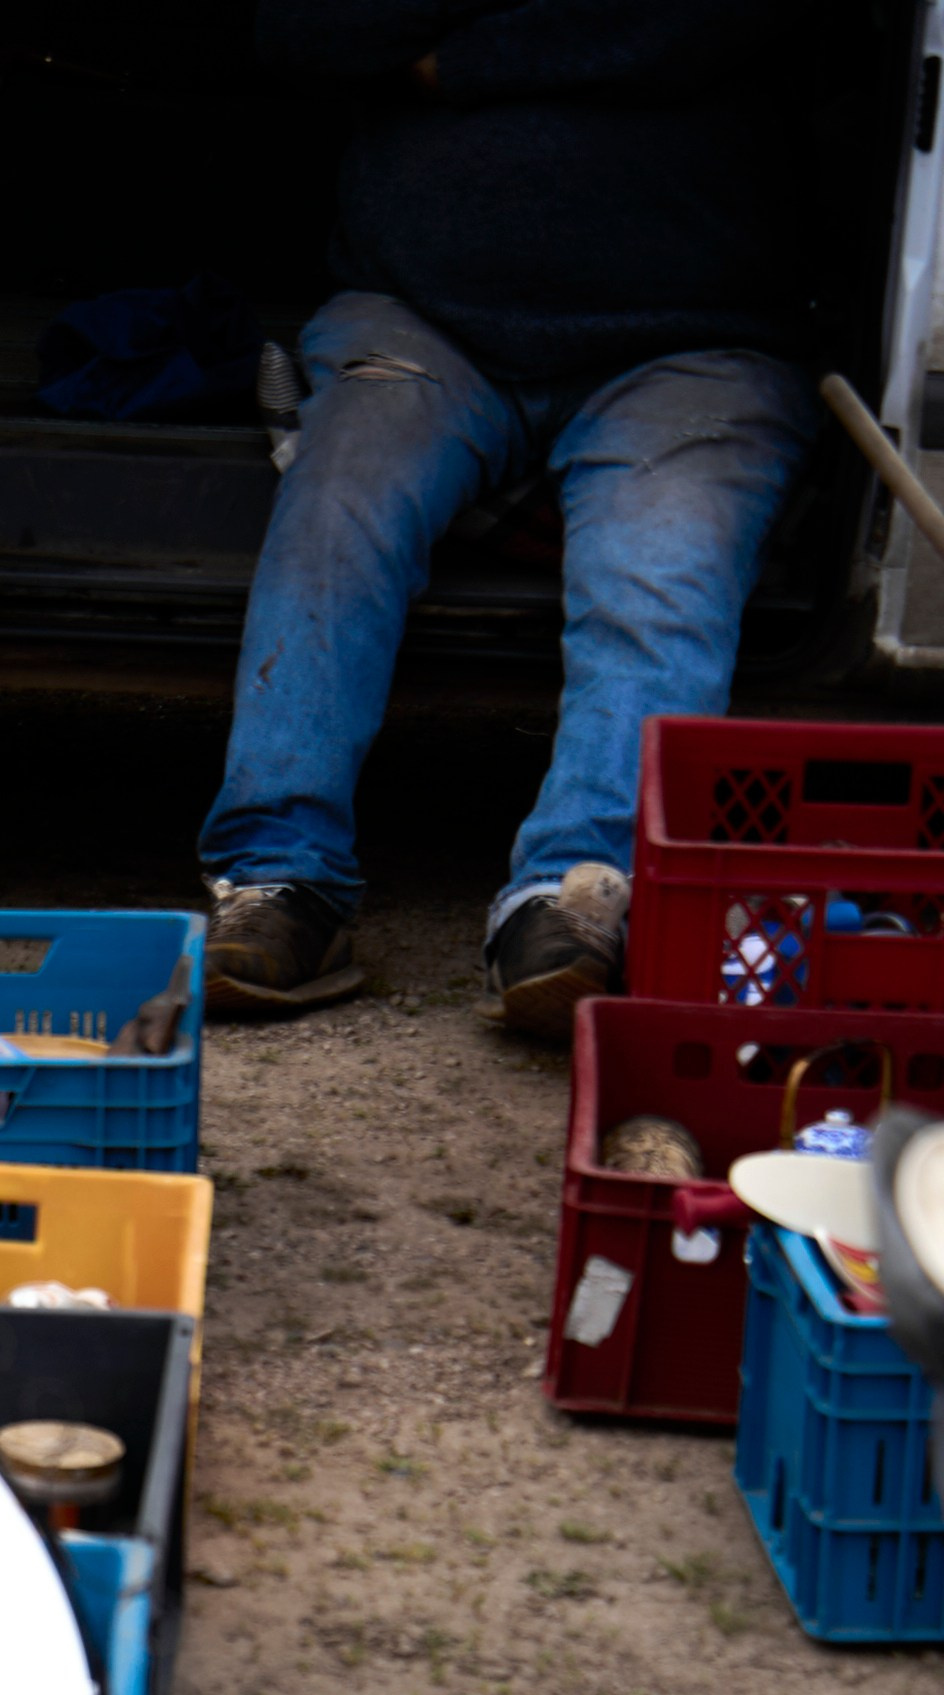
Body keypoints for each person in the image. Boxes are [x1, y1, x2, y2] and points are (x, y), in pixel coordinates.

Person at [200, 0, 821, 1041]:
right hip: (419, 318)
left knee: (660, 572)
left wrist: (459, 59)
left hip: (693, 341)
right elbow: (302, 30)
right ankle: (277, 879)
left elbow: (704, 25)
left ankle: (572, 898)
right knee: (335, 516)